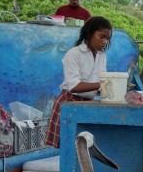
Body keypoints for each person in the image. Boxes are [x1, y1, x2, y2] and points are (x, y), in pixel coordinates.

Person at [45, 16, 112, 148]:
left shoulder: (101, 56)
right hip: (69, 103)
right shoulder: (74, 54)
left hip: (88, 104)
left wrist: (111, 88)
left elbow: (99, 83)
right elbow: (74, 86)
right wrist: (104, 84)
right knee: (68, 147)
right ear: (90, 33)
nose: (104, 41)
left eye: (107, 39)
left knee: (84, 147)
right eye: (101, 36)